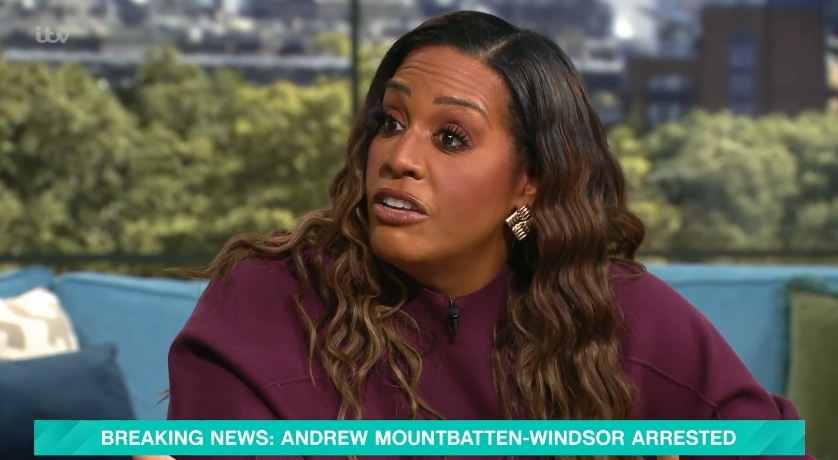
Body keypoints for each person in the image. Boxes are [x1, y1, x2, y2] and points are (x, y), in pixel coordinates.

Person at [149, 10, 815, 460]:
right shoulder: (263, 303)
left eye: (450, 137)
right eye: (389, 121)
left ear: (529, 181)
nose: (400, 157)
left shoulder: (623, 315)